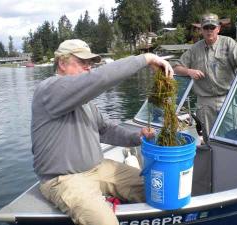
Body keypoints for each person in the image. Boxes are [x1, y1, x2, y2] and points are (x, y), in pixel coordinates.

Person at [31, 39, 174, 225]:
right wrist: (145, 58)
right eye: (82, 62)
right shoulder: (49, 89)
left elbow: (105, 130)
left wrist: (136, 136)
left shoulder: (84, 101)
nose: (88, 68)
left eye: (90, 63)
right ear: (62, 63)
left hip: (98, 167)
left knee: (157, 189)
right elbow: (99, 78)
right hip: (65, 179)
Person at [173, 13, 237, 141]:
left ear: (218, 29)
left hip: (227, 100)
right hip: (204, 103)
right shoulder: (194, 49)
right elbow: (176, 68)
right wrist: (189, 71)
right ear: (201, 30)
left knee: (234, 137)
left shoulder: (228, 43)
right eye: (206, 28)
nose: (209, 31)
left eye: (212, 27)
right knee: (209, 139)